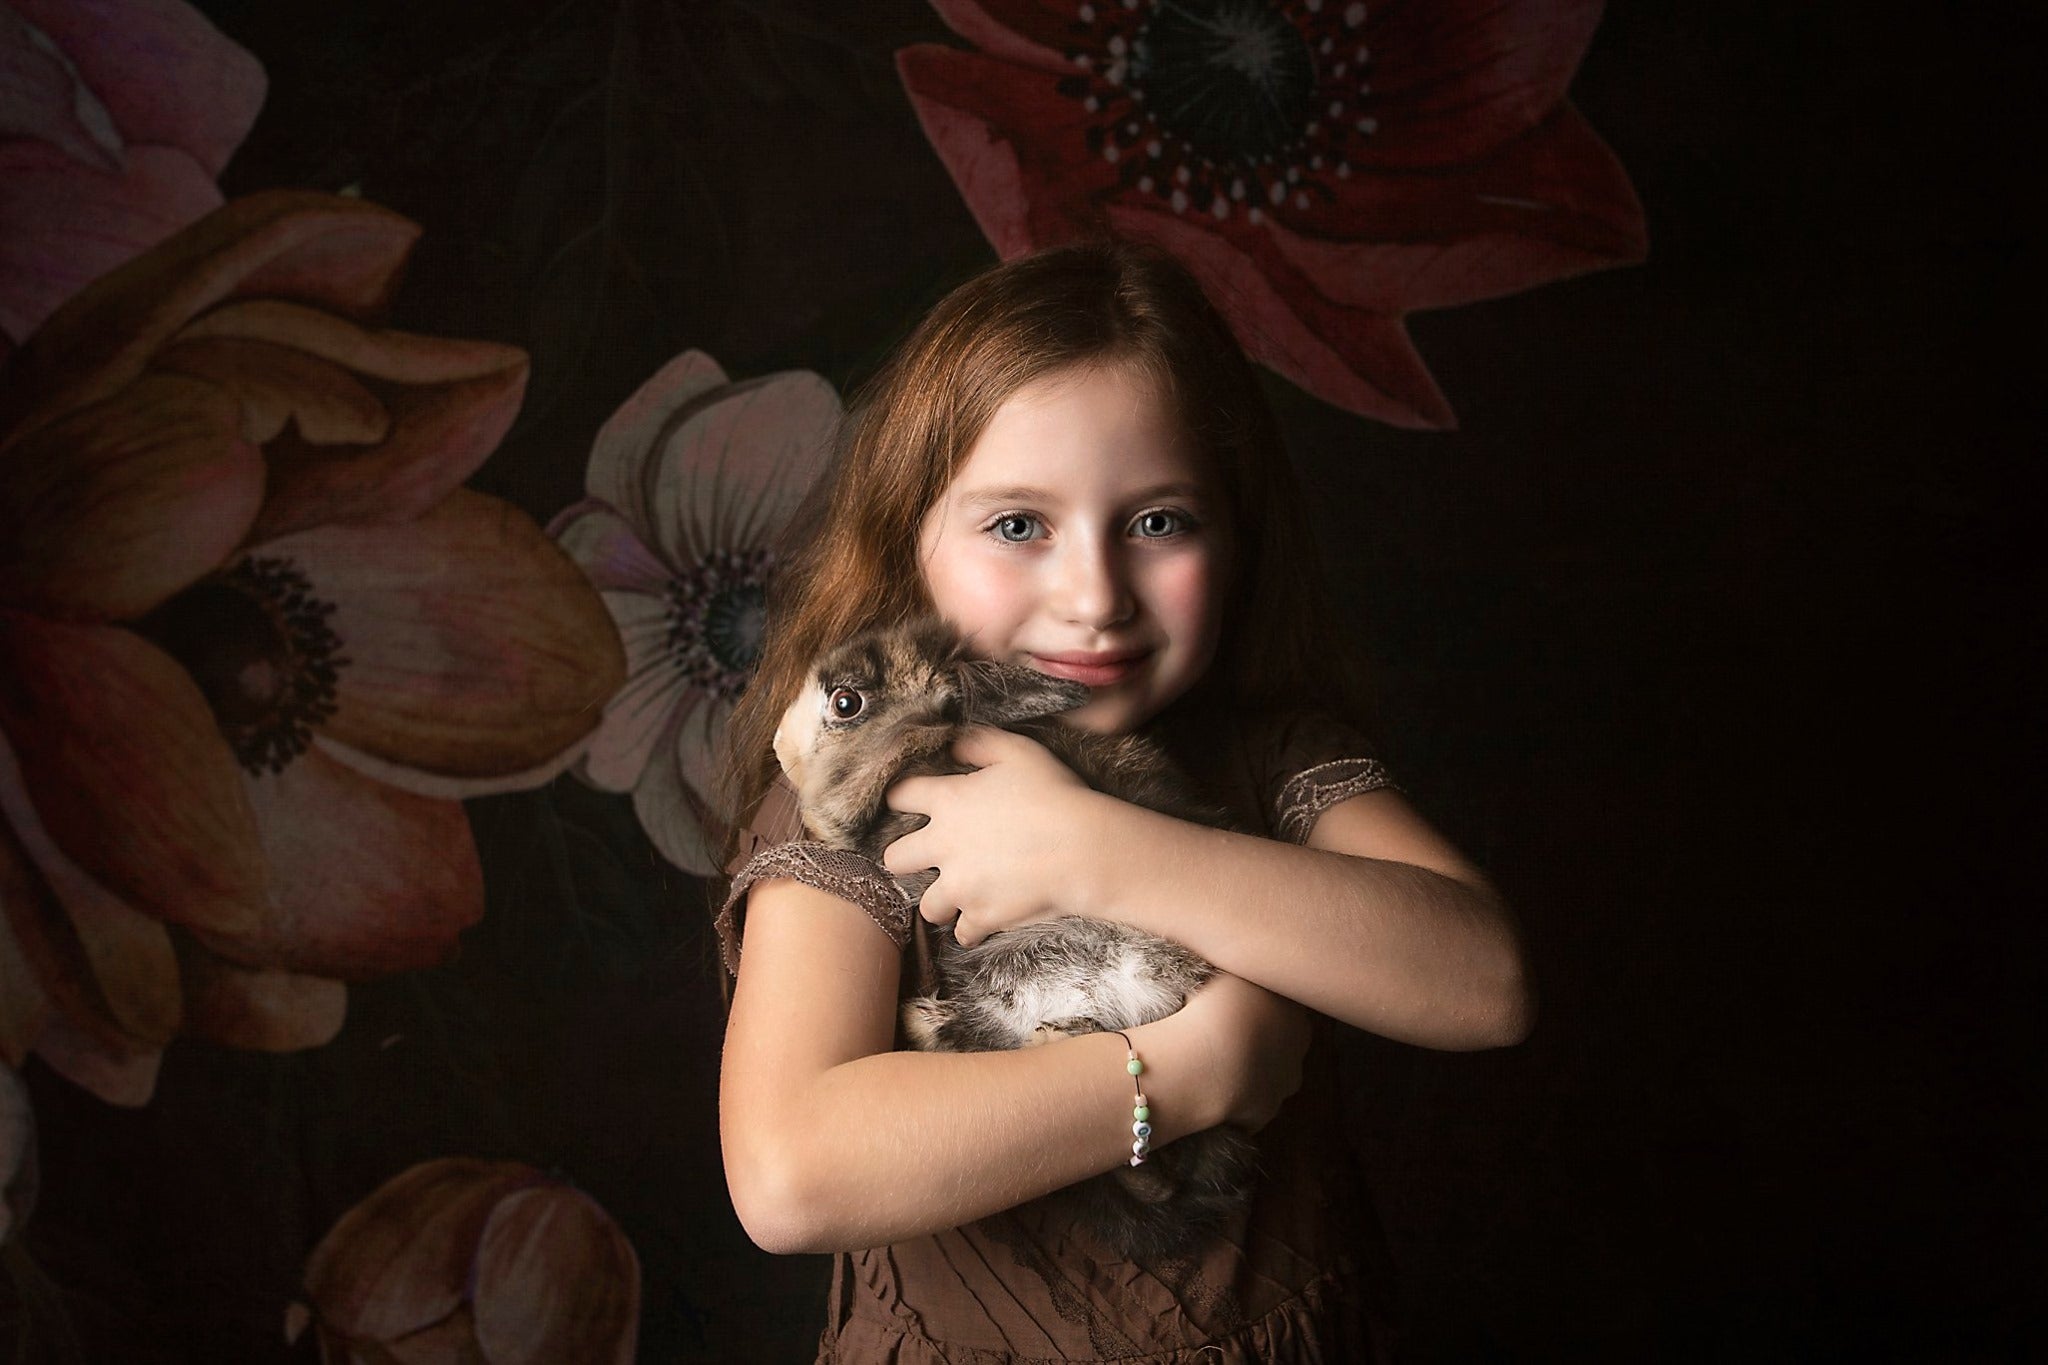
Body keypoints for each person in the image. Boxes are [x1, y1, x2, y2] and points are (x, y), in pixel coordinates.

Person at [715, 240, 1531, 1362]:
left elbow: (1482, 983)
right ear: (910, 544)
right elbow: (790, 1178)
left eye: (1157, 522)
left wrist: (1098, 848)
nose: (1095, 596)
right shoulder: (858, 791)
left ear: (1235, 534)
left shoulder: (1272, 756)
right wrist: (1192, 1073)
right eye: (1017, 526)